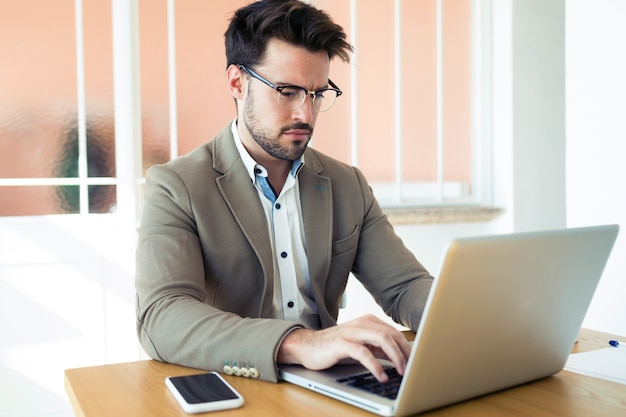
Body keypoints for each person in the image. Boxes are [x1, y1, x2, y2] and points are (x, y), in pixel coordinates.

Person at [135, 0, 433, 384]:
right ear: (237, 83)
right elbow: (162, 315)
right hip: (239, 387)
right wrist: (303, 343)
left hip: (332, 386)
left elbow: (405, 286)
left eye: (317, 94)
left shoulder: (347, 184)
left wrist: (481, 323)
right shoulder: (176, 186)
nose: (306, 115)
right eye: (288, 91)